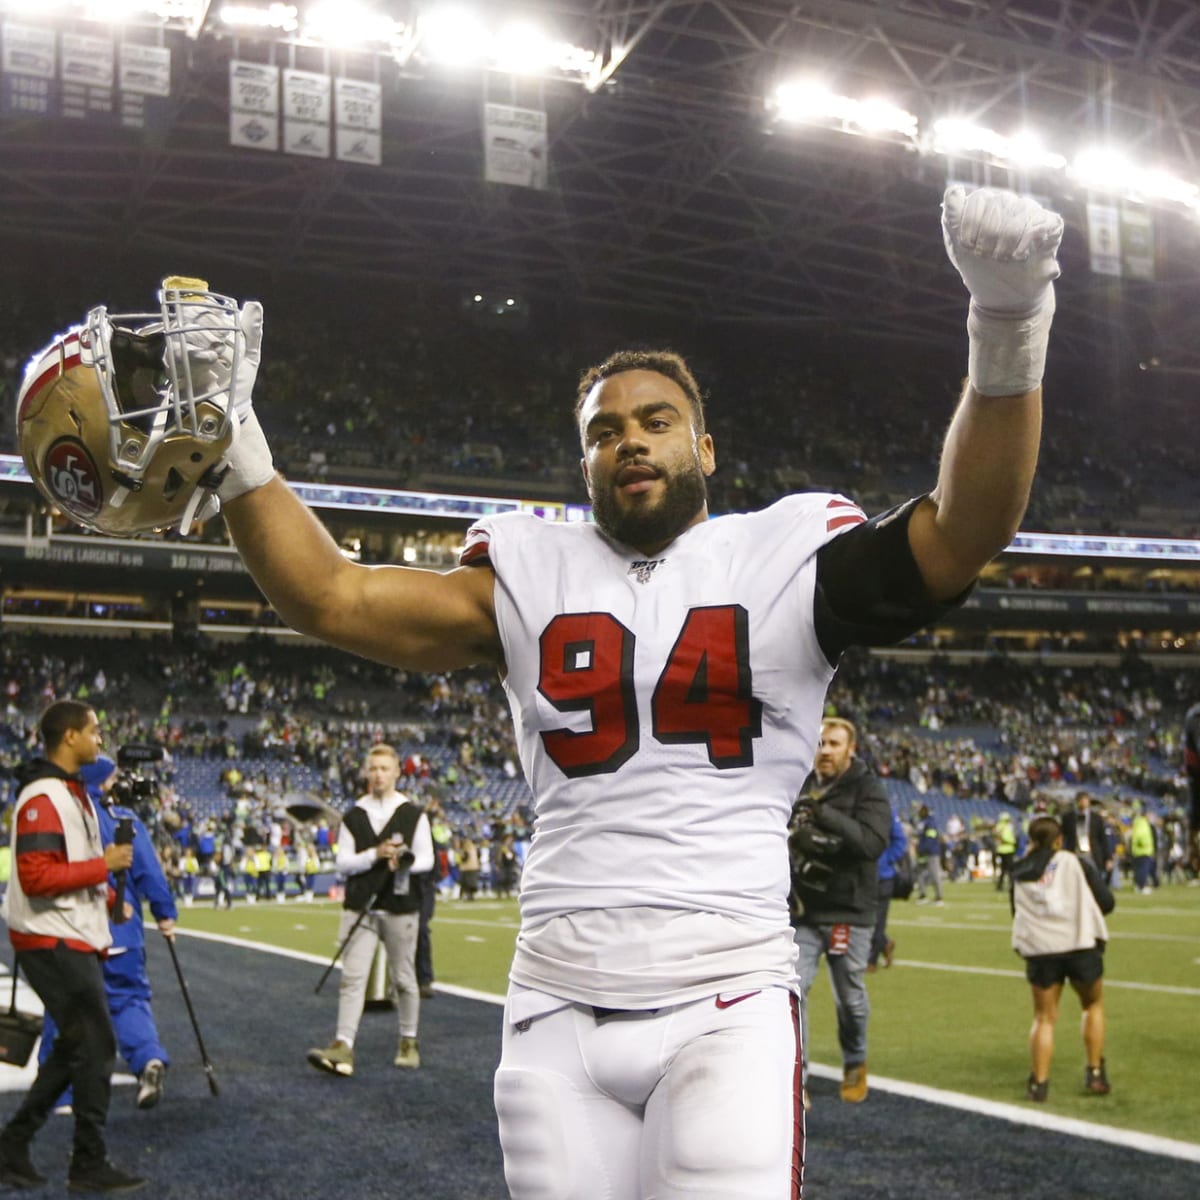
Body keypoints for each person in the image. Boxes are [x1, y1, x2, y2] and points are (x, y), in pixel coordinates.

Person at [27, 185, 1061, 1197]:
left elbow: (964, 528)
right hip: (555, 1004)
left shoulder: (786, 554)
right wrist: (244, 454)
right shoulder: (528, 569)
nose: (630, 441)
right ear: (585, 464)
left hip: (728, 994)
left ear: (704, 448)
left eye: (656, 421)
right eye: (605, 432)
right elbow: (336, 596)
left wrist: (1007, 324)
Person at [0, 701, 144, 1193]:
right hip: (50, 936)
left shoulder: (67, 792)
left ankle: (13, 1144)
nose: (99, 740)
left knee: (77, 1044)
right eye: (94, 732)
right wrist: (104, 867)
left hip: (66, 932)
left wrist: (104, 898)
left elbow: (68, 865)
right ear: (69, 738)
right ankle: (86, 1163)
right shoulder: (44, 796)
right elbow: (37, 877)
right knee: (97, 1044)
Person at [38, 755, 178, 1115]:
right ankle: (147, 1057)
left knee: (65, 1008)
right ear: (100, 783)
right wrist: (165, 915)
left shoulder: (61, 820)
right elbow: (150, 874)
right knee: (129, 999)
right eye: (114, 778)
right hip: (121, 932)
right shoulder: (126, 820)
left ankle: (63, 1093)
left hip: (72, 933)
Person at [307, 745, 434, 1076]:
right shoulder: (353, 816)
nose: (378, 774)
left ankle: (408, 1040)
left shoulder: (413, 813)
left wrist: (403, 862)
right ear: (366, 772)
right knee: (352, 978)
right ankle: (343, 1045)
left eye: (384, 768)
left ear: (396, 772)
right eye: (373, 768)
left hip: (400, 906)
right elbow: (343, 864)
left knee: (404, 979)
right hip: (361, 905)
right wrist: (375, 855)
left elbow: (427, 859)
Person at [789, 719, 891, 1106]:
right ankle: (796, 1077)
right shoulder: (800, 782)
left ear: (851, 748)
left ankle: (855, 1063)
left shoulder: (868, 788)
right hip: (805, 910)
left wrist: (822, 815)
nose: (825, 750)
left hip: (850, 910)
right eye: (819, 743)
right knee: (794, 991)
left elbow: (871, 842)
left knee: (849, 997)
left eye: (833, 743)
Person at [1011, 815, 1115, 1102]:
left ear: (1031, 840)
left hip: (1041, 950)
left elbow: (1016, 914)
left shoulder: (1019, 870)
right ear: (1059, 840)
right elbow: (1106, 902)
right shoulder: (1076, 862)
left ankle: (1039, 1083)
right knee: (1092, 1005)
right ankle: (1095, 1071)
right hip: (1081, 945)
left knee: (1044, 1018)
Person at [867, 808, 910, 973]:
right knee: (864, 919)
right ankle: (885, 943)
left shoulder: (886, 811)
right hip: (861, 876)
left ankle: (871, 961)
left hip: (883, 877)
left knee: (877, 921)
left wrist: (886, 861)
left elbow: (900, 841)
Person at [1060, 790, 1111, 880]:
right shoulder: (1068, 817)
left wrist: (1108, 857)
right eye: (1081, 800)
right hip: (1074, 852)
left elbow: (1103, 839)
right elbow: (1063, 836)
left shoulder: (1096, 818)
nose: (1083, 803)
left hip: (1091, 853)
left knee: (1095, 877)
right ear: (1077, 802)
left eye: (1085, 800)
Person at [913, 804, 944, 905]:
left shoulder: (931, 821)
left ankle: (939, 897)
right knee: (920, 873)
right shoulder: (921, 821)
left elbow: (931, 837)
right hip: (922, 851)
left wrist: (923, 848)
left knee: (935, 874)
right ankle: (922, 895)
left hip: (931, 852)